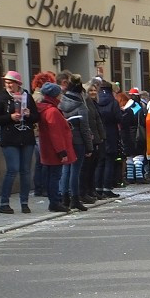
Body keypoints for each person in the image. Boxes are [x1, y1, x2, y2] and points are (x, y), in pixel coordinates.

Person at [0, 70, 39, 215]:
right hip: (10, 139)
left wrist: (30, 115)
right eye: (6, 82)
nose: (8, 85)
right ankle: (4, 203)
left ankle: (24, 202)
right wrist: (10, 117)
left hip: (26, 138)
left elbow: (37, 117)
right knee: (12, 169)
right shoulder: (2, 97)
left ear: (18, 84)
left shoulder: (27, 96)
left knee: (25, 171)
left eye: (11, 82)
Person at [35, 82, 75, 213]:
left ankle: (54, 200)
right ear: (54, 96)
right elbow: (55, 133)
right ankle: (55, 202)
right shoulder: (52, 111)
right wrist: (62, 152)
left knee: (51, 175)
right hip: (54, 150)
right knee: (55, 176)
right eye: (59, 94)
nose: (61, 97)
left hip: (48, 148)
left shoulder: (45, 108)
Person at [58, 74, 93, 212]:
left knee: (66, 169)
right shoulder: (81, 106)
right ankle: (75, 198)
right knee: (75, 171)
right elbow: (85, 129)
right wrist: (89, 146)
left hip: (65, 140)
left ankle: (64, 197)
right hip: (78, 141)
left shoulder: (61, 103)